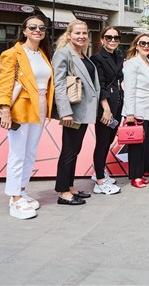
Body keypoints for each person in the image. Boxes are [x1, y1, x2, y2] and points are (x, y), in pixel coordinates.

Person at [0, 16, 54, 219]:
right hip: (20, 109)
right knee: (17, 154)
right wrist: (5, 110)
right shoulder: (12, 53)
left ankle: (21, 190)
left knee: (30, 153)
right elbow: (4, 84)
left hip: (39, 109)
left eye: (41, 27)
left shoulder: (42, 54)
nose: (37, 30)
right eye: (33, 27)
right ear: (24, 31)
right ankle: (14, 198)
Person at [53, 19, 100, 205]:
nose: (81, 36)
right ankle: (63, 191)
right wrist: (65, 112)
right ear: (69, 34)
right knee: (69, 151)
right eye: (77, 33)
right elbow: (59, 83)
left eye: (84, 33)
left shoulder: (81, 54)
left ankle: (70, 187)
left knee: (75, 150)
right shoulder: (63, 53)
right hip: (71, 112)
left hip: (83, 111)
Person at [89, 27, 124, 195]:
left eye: (116, 38)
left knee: (109, 140)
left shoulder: (119, 56)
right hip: (105, 107)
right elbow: (99, 85)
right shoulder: (97, 58)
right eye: (109, 37)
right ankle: (100, 180)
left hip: (117, 104)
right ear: (102, 39)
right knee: (102, 142)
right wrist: (106, 109)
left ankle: (99, 171)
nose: (112, 40)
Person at [123, 34, 149, 188]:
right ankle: (135, 176)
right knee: (136, 145)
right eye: (142, 43)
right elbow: (129, 89)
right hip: (137, 110)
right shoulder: (132, 63)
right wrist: (130, 113)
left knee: (147, 144)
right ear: (136, 45)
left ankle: (142, 173)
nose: (146, 45)